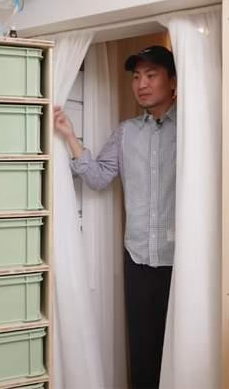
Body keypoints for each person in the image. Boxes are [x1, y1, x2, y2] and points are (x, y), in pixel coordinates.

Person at [54, 45, 177, 389]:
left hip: (182, 262)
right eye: (136, 77)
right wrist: (69, 136)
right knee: (142, 351)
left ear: (172, 81)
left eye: (151, 75)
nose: (141, 84)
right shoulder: (126, 132)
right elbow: (97, 177)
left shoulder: (194, 129)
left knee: (180, 350)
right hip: (137, 259)